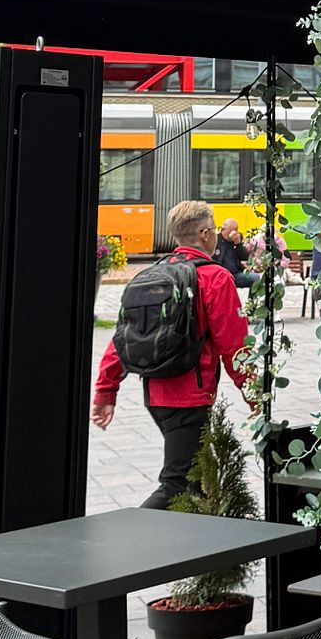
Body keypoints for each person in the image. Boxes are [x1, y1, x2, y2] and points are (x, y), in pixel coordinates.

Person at [92, 201, 249, 507]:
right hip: (189, 398)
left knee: (200, 481)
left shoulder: (152, 275)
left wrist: (106, 392)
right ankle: (132, 533)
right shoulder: (215, 278)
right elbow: (234, 345)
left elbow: (122, 339)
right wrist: (254, 395)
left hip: (155, 395)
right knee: (178, 485)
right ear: (205, 234)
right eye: (214, 228)